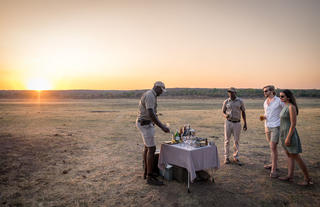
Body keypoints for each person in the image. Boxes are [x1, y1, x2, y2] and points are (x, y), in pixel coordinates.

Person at [136, 81, 170, 186]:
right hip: (145, 124)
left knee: (147, 148)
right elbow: (150, 113)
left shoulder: (151, 95)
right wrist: (162, 126)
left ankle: (147, 172)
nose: (161, 93)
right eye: (161, 90)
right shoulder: (150, 95)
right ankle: (150, 178)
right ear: (157, 87)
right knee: (152, 149)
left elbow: (153, 113)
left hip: (146, 123)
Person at [278, 90, 313, 185]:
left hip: (290, 134)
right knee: (289, 155)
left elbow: (293, 124)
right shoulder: (285, 106)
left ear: (288, 97)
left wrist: (288, 137)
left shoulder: (291, 107)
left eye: (282, 96)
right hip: (283, 134)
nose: (280, 98)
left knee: (296, 157)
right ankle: (290, 176)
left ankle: (308, 179)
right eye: (280, 96)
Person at [261, 85, 284, 178]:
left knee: (273, 147)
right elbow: (266, 113)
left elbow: (285, 110)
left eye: (266, 91)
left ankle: (274, 170)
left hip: (276, 126)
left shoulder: (279, 101)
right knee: (271, 147)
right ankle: (273, 164)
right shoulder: (265, 102)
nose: (264, 93)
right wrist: (263, 117)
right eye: (264, 91)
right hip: (267, 126)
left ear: (272, 91)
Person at [222, 87, 247, 165]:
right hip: (228, 122)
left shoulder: (240, 101)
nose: (230, 93)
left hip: (237, 123)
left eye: (232, 92)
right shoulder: (226, 101)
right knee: (227, 141)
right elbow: (223, 111)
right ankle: (226, 157)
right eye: (229, 92)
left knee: (236, 141)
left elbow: (243, 112)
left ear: (235, 93)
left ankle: (235, 157)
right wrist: (225, 115)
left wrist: (245, 123)